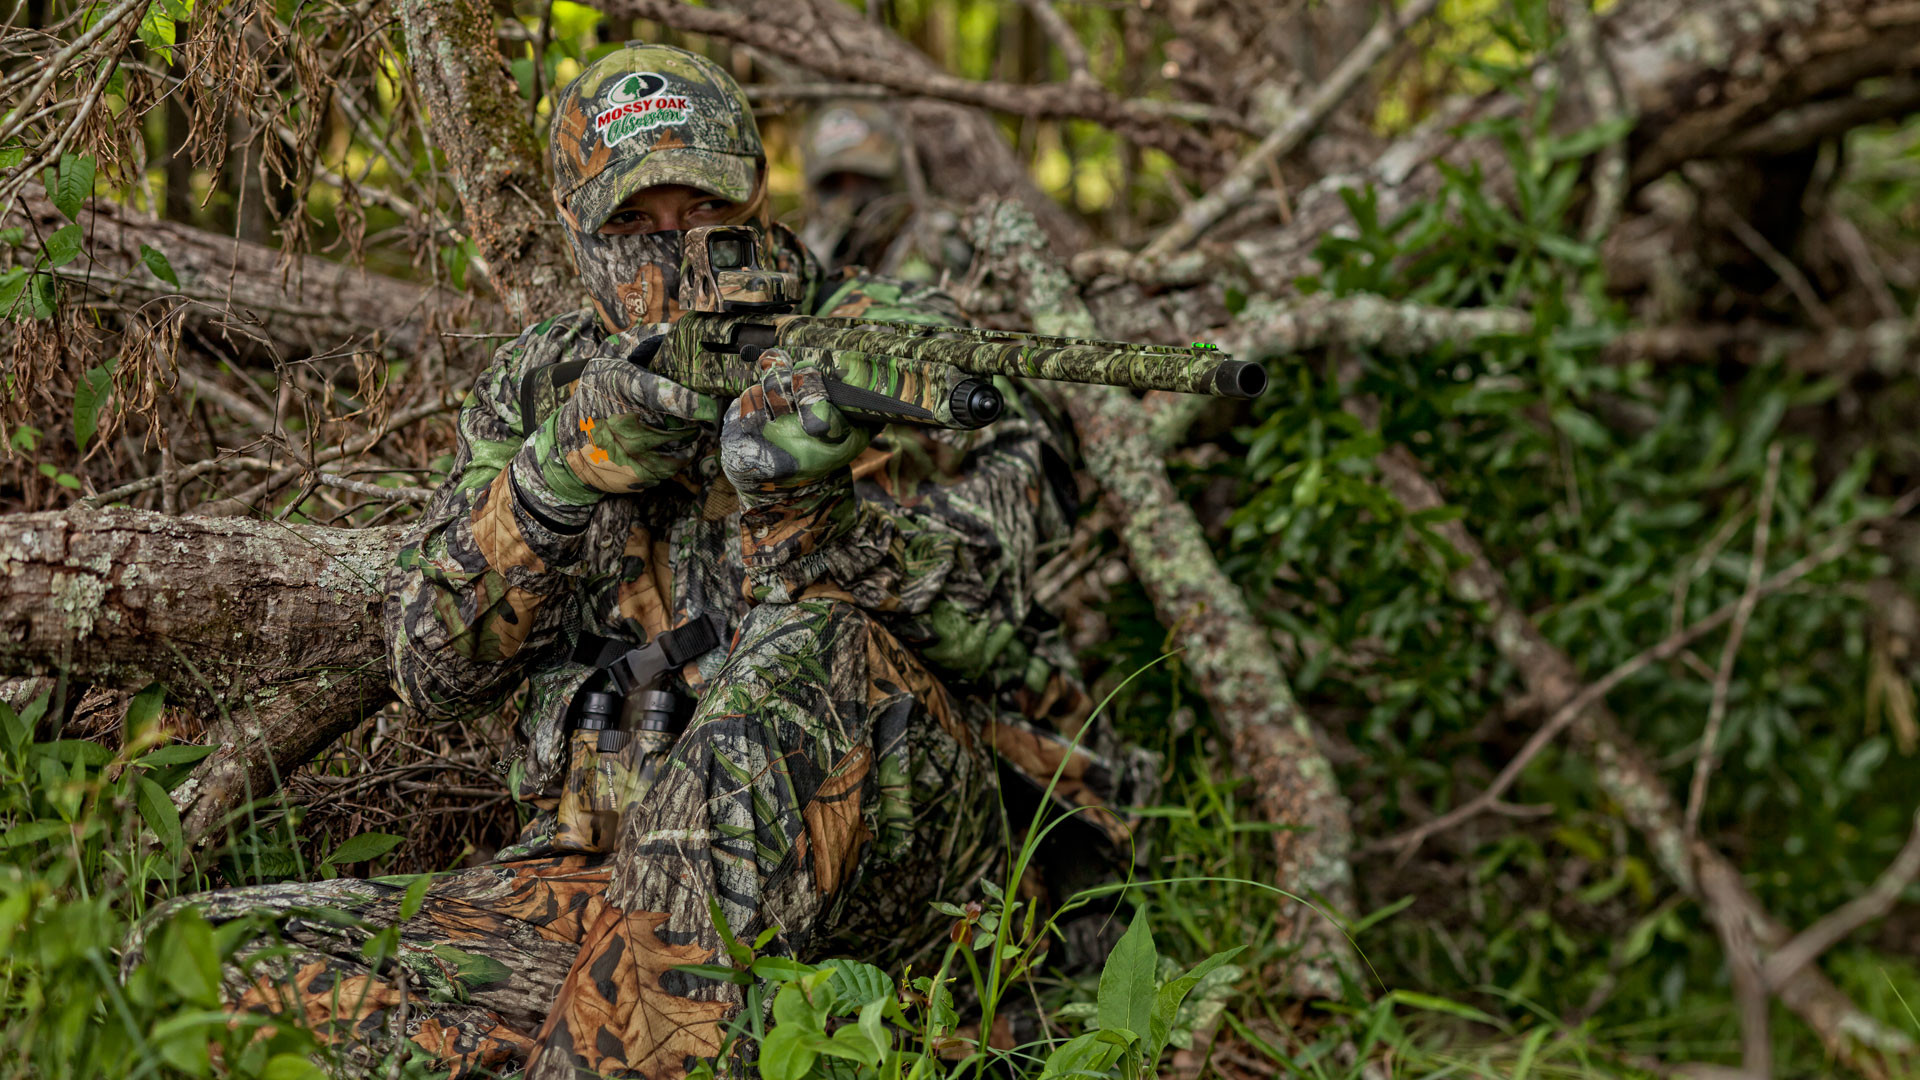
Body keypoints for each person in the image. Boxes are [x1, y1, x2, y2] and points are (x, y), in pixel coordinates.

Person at [127, 43, 1150, 1079]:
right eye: (633, 224)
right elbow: (430, 672)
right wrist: (557, 480)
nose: (675, 250)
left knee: (814, 649)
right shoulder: (541, 389)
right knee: (199, 967)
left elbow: (993, 612)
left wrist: (815, 511)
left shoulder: (893, 346)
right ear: (580, 230)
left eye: (702, 213)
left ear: (753, 199)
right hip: (619, 883)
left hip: (922, 880)